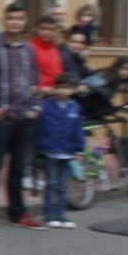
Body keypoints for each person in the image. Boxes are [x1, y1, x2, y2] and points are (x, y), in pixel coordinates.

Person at [0, 4, 42, 232]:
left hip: (24, 116)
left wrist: (35, 107)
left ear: (25, 21)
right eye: (11, 18)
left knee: (19, 166)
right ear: (4, 20)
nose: (15, 22)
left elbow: (34, 81)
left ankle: (18, 212)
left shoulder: (29, 49)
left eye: (20, 18)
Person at [37, 74, 86, 229]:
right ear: (55, 88)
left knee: (63, 185)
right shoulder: (46, 105)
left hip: (68, 151)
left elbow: (78, 130)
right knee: (51, 183)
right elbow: (39, 127)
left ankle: (61, 214)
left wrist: (79, 149)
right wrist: (40, 144)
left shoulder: (75, 107)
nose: (63, 91)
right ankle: (49, 214)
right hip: (50, 150)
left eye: (67, 88)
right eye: (61, 87)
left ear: (73, 90)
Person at [31, 17, 64, 92]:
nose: (47, 32)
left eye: (51, 30)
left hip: (57, 94)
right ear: (37, 29)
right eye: (43, 29)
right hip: (39, 96)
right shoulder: (30, 49)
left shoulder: (54, 49)